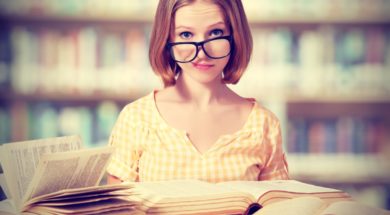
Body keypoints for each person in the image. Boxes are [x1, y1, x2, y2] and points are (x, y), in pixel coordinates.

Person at [106, 0, 289, 184]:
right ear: (167, 39)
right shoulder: (136, 119)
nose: (202, 52)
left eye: (216, 33)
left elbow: (276, 204)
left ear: (235, 36)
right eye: (186, 34)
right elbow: (117, 207)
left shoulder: (264, 125)